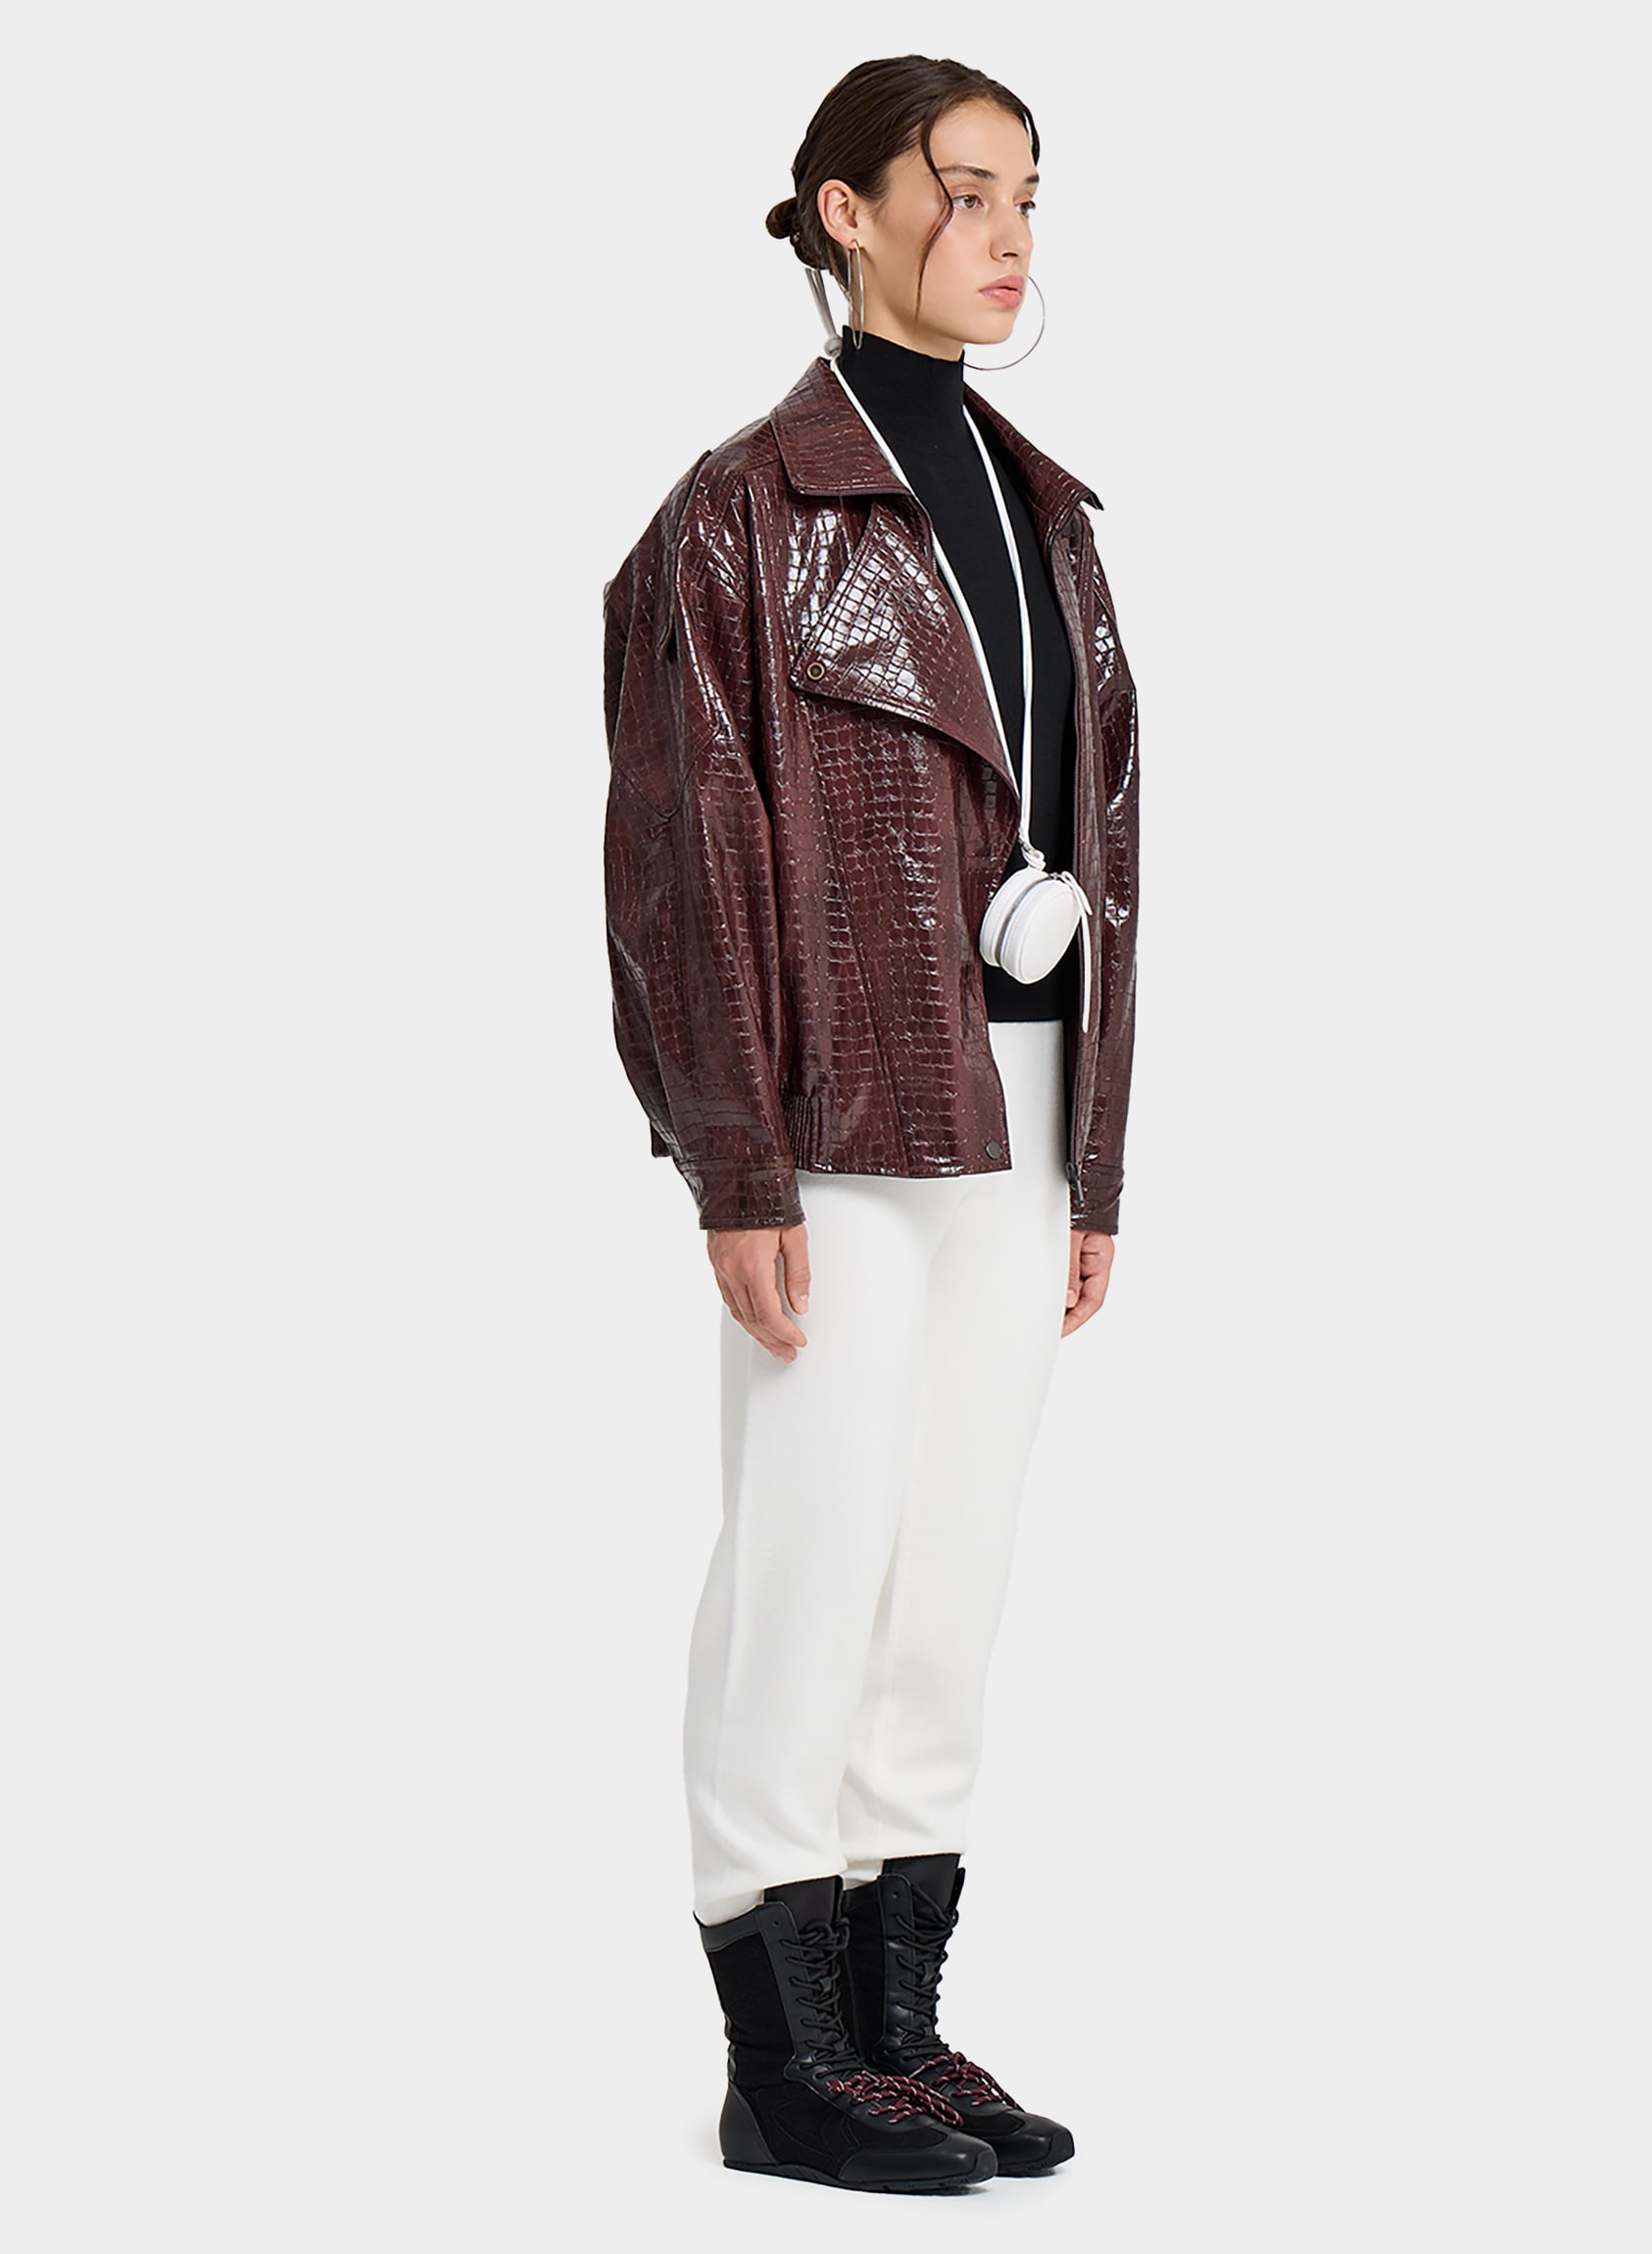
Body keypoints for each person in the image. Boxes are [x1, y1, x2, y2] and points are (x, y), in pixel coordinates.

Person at [602, 53, 1141, 2194]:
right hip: (834, 1105)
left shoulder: (1049, 514)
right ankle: (783, 2056)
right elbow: (680, 861)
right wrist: (732, 1161)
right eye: (965, 189)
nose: (1008, 234)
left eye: (1030, 195)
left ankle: (896, 2027)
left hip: (1020, 1101)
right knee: (808, 1559)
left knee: (949, 1572)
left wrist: (1093, 1161)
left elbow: (1100, 838)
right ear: (848, 209)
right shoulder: (736, 514)